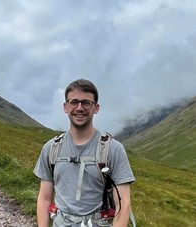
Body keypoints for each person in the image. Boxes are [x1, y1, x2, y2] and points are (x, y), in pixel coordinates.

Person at [34, 79, 135, 227]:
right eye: (74, 102)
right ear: (65, 106)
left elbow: (123, 204)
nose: (80, 108)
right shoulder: (51, 149)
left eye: (86, 103)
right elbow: (44, 199)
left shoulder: (113, 149)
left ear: (96, 108)